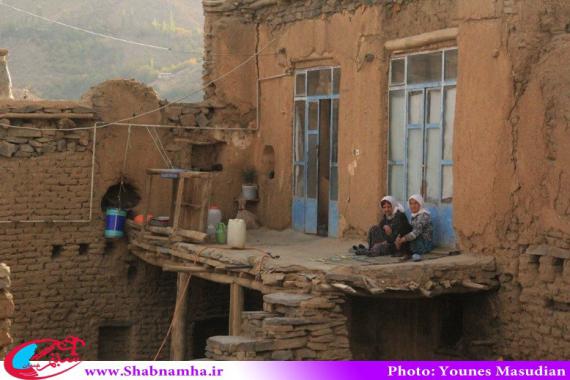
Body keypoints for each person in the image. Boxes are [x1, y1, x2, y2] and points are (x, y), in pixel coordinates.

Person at [396, 194, 434, 262]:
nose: (413, 206)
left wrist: (402, 240)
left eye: (416, 203)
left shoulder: (424, 216)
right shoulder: (414, 216)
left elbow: (415, 233)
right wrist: (399, 238)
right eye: (411, 204)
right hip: (416, 242)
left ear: (420, 204)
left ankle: (409, 252)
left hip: (424, 244)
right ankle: (405, 251)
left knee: (405, 229)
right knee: (404, 227)